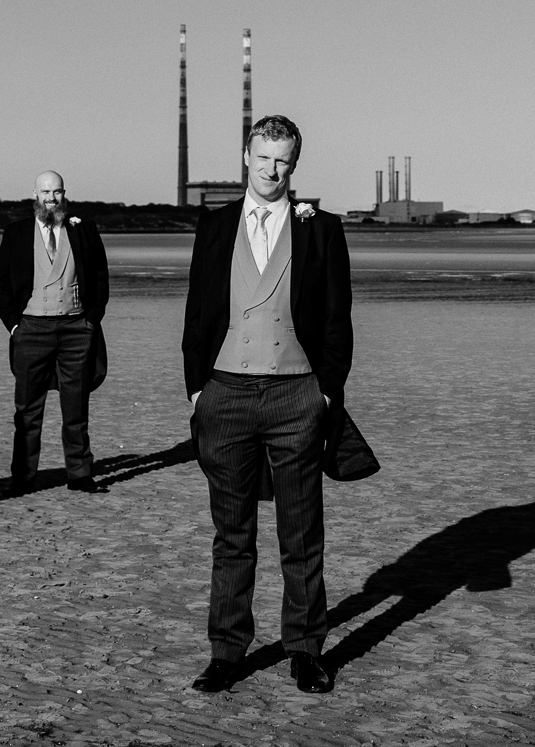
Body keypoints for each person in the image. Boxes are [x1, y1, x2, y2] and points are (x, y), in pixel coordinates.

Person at [181, 115, 352, 695]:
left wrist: (325, 393)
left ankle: (305, 650)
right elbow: (198, 310)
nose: (271, 170)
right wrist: (196, 389)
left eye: (282, 160)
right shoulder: (214, 225)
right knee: (232, 536)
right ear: (246, 157)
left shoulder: (321, 230)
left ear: (294, 163)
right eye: (262, 158)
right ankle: (227, 652)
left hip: (295, 394)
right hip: (224, 393)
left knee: (301, 533)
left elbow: (336, 320)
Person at [0, 170, 110, 496]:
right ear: (35, 194)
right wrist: (14, 326)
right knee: (28, 412)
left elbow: (100, 277)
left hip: (76, 329)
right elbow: (3, 284)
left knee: (76, 409)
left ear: (64, 193)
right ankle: (22, 478)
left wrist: (92, 320)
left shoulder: (83, 229)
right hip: (31, 330)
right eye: (46, 192)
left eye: (57, 192)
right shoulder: (16, 233)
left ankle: (80, 474)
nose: (51, 198)